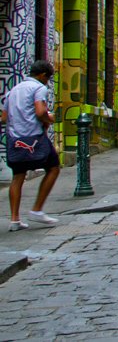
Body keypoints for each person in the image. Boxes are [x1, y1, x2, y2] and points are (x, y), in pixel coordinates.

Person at [1, 60, 60, 231]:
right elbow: (40, 112)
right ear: (42, 75)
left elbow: (4, 118)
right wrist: (49, 119)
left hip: (15, 139)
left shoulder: (13, 91)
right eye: (48, 78)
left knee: (18, 176)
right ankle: (37, 209)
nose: (47, 81)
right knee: (54, 167)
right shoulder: (38, 88)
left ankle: (14, 220)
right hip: (34, 138)